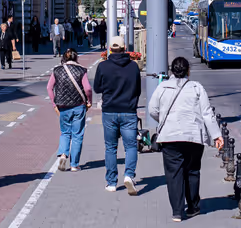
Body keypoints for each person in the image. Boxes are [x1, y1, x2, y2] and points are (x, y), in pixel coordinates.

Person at [149, 57, 224, 222]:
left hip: (169, 138)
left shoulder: (162, 87)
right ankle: (193, 207)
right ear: (188, 71)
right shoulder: (197, 88)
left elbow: (152, 110)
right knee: (192, 171)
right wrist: (217, 135)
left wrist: (163, 120)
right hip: (193, 137)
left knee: (173, 174)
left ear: (171, 71)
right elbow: (207, 113)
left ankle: (177, 211)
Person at [93, 36, 141, 194]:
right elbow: (138, 90)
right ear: (124, 48)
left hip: (109, 111)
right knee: (131, 146)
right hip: (128, 111)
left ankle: (112, 183)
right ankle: (129, 175)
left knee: (111, 148)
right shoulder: (133, 66)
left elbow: (97, 89)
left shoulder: (103, 66)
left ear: (109, 49)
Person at [48, 49, 92, 172]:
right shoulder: (81, 70)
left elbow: (49, 87)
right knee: (77, 135)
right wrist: (89, 101)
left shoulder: (57, 70)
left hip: (62, 106)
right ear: (76, 57)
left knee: (65, 132)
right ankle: (74, 164)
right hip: (78, 105)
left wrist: (54, 104)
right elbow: (88, 88)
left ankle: (63, 155)